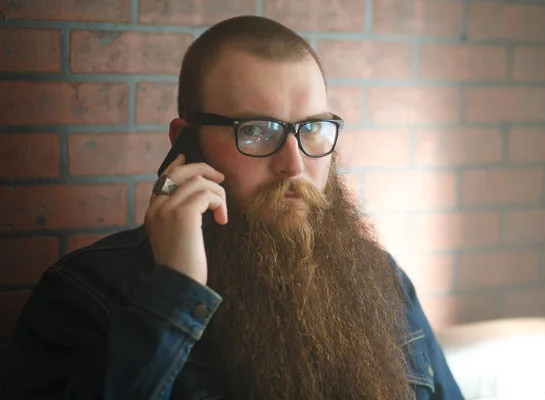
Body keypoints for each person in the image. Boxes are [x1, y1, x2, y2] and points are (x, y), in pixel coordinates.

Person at [1, 15, 463, 400]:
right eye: (258, 131)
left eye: (312, 128)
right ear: (186, 140)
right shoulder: (86, 295)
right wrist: (175, 291)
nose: (294, 166)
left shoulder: (382, 281)